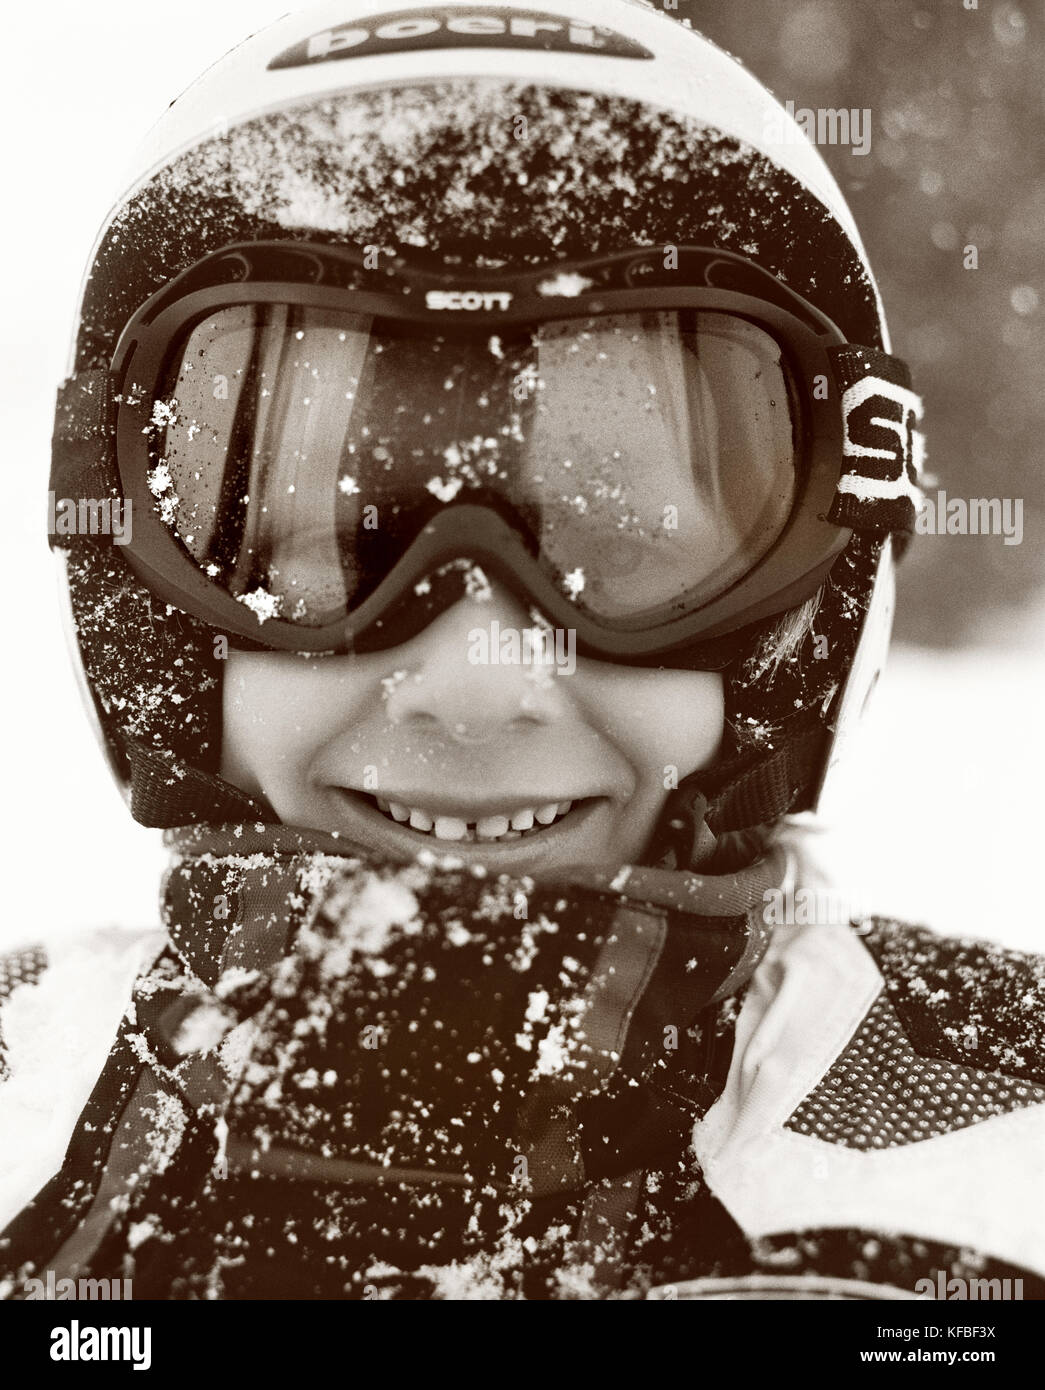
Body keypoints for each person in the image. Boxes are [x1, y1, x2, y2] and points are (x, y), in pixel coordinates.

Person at [2, 0, 1043, 1301]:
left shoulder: (1009, 1160)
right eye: (329, 542)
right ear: (148, 617)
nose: (474, 682)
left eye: (620, 543)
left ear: (794, 626)